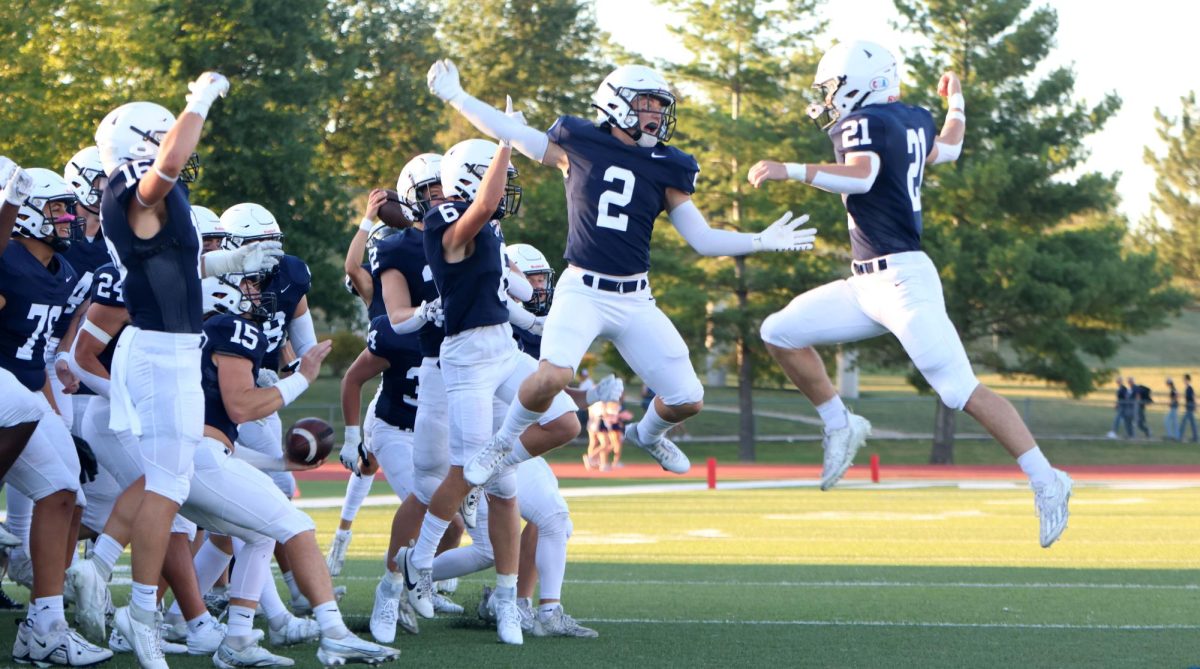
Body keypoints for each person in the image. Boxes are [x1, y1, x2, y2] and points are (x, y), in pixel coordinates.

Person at [425, 60, 816, 485]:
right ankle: (504, 442)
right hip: (584, 290)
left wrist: (759, 240)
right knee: (553, 376)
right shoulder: (578, 142)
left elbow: (701, 238)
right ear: (617, 103)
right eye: (647, 103)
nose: (656, 113)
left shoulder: (670, 165)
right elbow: (513, 133)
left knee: (687, 399)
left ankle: (647, 434)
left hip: (634, 298)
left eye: (659, 105)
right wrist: (457, 97)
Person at [747, 40, 1072, 548]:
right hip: (865, 283)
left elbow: (863, 176)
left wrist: (790, 169)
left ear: (859, 83)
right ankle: (841, 423)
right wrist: (957, 103)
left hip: (902, 281)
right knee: (779, 331)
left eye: (832, 88)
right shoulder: (912, 118)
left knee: (959, 390)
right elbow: (951, 146)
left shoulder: (866, 124)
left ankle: (1047, 479)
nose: (829, 100)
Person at [96, 75, 284, 667]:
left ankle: (136, 604)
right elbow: (171, 161)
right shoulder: (133, 184)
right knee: (165, 487)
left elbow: (177, 265)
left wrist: (229, 260)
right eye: (158, 136)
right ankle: (143, 613)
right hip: (156, 352)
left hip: (173, 347)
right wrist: (197, 100)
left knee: (169, 488)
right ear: (134, 145)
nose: (174, 144)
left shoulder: (158, 202)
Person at [399, 138, 581, 646]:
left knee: (564, 421)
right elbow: (481, 206)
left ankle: (501, 455)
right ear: (470, 180)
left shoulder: (491, 232)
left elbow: (522, 291)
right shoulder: (443, 221)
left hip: (503, 347)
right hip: (466, 358)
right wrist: (505, 141)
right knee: (474, 474)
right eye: (497, 176)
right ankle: (426, 563)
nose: (505, 190)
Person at [1, 161, 111, 667]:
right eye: (57, 208)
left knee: (67, 491)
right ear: (23, 216)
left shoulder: (63, 272)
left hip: (25, 392)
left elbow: (39, 352)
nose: (68, 217)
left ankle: (44, 624)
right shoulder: (6, 258)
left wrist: (57, 420)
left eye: (69, 207)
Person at [1181, 374, 1197, 443]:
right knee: (1192, 423)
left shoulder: (1190, 388)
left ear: (1187, 380)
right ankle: (1195, 437)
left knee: (1184, 422)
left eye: (1184, 379)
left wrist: (1195, 406)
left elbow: (1193, 397)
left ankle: (1179, 436)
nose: (1183, 381)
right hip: (1189, 406)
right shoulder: (1188, 388)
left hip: (1190, 407)